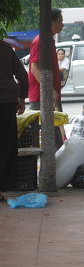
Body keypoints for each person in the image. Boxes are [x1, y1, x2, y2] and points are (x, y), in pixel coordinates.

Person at [28, 8, 64, 149]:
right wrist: (49, 90)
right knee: (39, 134)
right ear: (51, 22)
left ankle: (58, 163)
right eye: (60, 22)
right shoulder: (40, 41)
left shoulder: (49, 41)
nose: (62, 25)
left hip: (49, 96)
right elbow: (34, 69)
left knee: (54, 132)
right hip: (40, 96)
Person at [0, 39, 28, 201]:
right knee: (6, 145)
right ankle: (3, 186)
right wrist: (22, 99)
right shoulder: (5, 48)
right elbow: (22, 75)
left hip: (7, 100)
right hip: (7, 103)